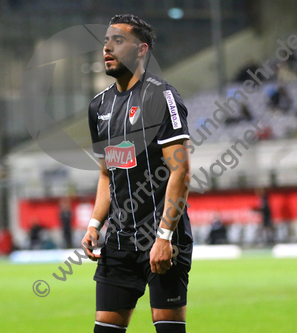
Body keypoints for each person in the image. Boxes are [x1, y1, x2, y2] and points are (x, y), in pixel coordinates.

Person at [82, 14, 193, 333]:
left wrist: (164, 236)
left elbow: (181, 171)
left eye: (118, 41)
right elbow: (107, 174)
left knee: (168, 328)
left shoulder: (162, 97)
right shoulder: (98, 107)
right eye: (105, 41)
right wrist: (94, 225)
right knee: (105, 328)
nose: (107, 47)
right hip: (118, 240)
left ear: (142, 50)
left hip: (161, 237)